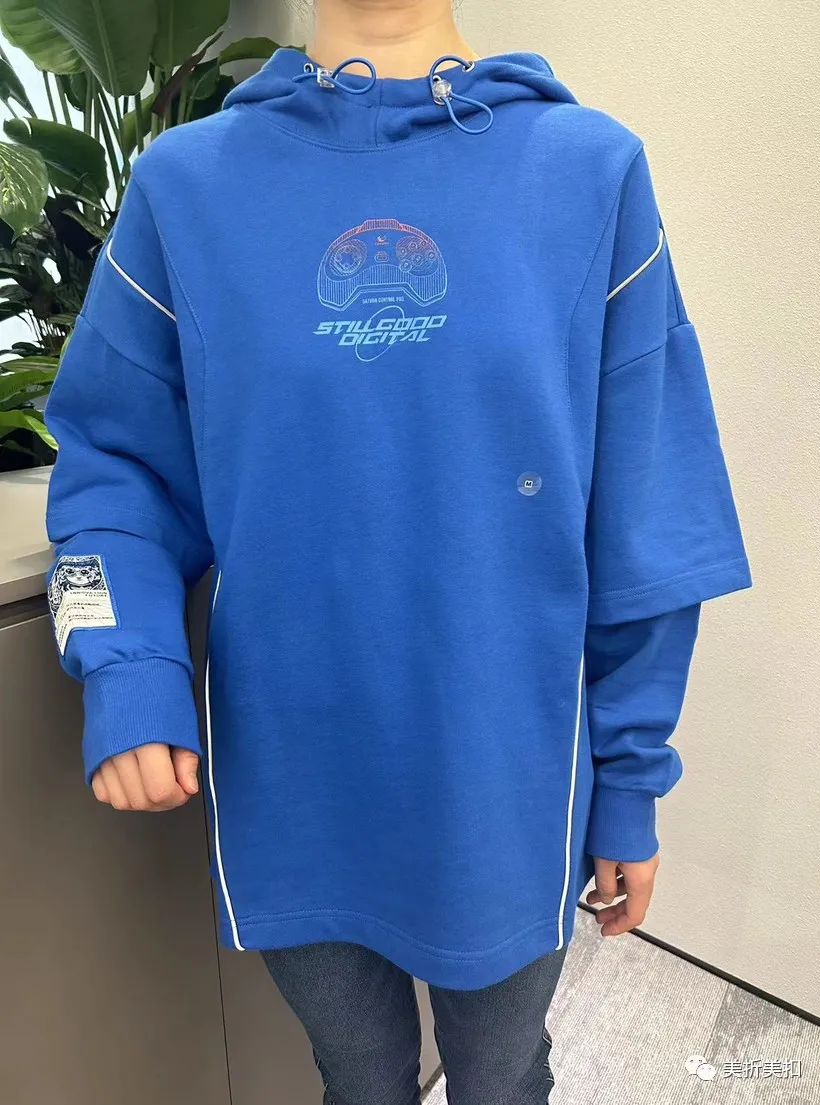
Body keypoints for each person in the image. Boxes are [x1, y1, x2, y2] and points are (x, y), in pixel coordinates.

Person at [42, 0, 752, 1101]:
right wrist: (127, 670)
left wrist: (629, 780)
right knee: (358, 1076)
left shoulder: (589, 172)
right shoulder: (185, 188)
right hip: (292, 780)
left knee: (500, 1074)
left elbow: (650, 514)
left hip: (506, 786)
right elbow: (112, 471)